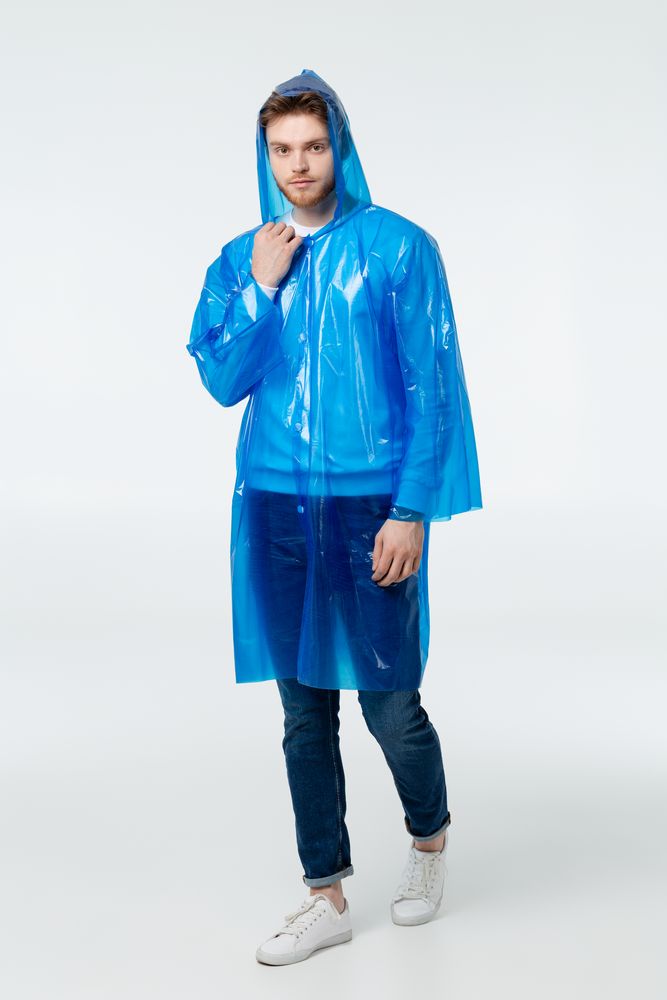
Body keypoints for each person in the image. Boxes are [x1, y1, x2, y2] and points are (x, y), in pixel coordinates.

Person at [186, 68, 482, 966]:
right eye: (281, 149)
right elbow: (221, 378)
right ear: (265, 157)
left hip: (369, 507)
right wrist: (261, 288)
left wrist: (410, 510)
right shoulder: (244, 258)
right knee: (302, 713)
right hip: (275, 503)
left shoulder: (397, 248)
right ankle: (326, 894)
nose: (298, 164)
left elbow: (431, 387)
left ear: (338, 147)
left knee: (389, 703)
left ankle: (427, 841)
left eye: (313, 145)